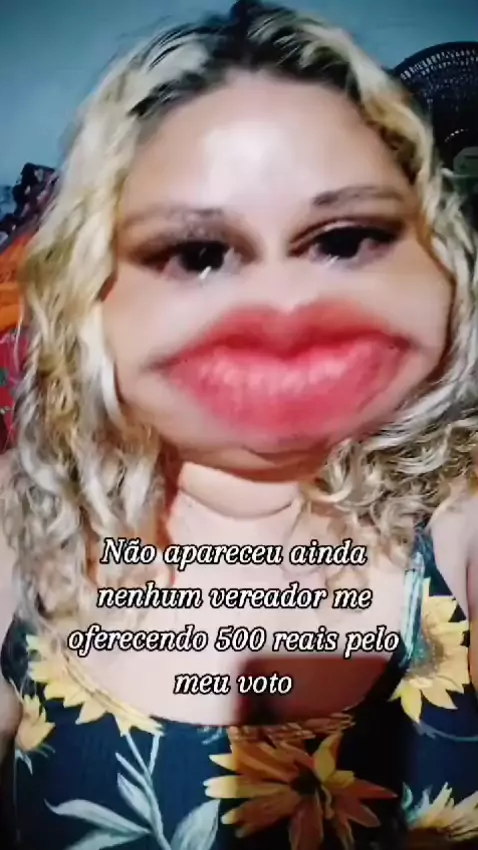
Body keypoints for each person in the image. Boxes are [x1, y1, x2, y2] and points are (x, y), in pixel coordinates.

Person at [1, 1, 478, 847]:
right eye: (198, 253)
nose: (283, 307)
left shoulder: (458, 521)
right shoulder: (18, 522)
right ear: (92, 295)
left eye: (343, 240)